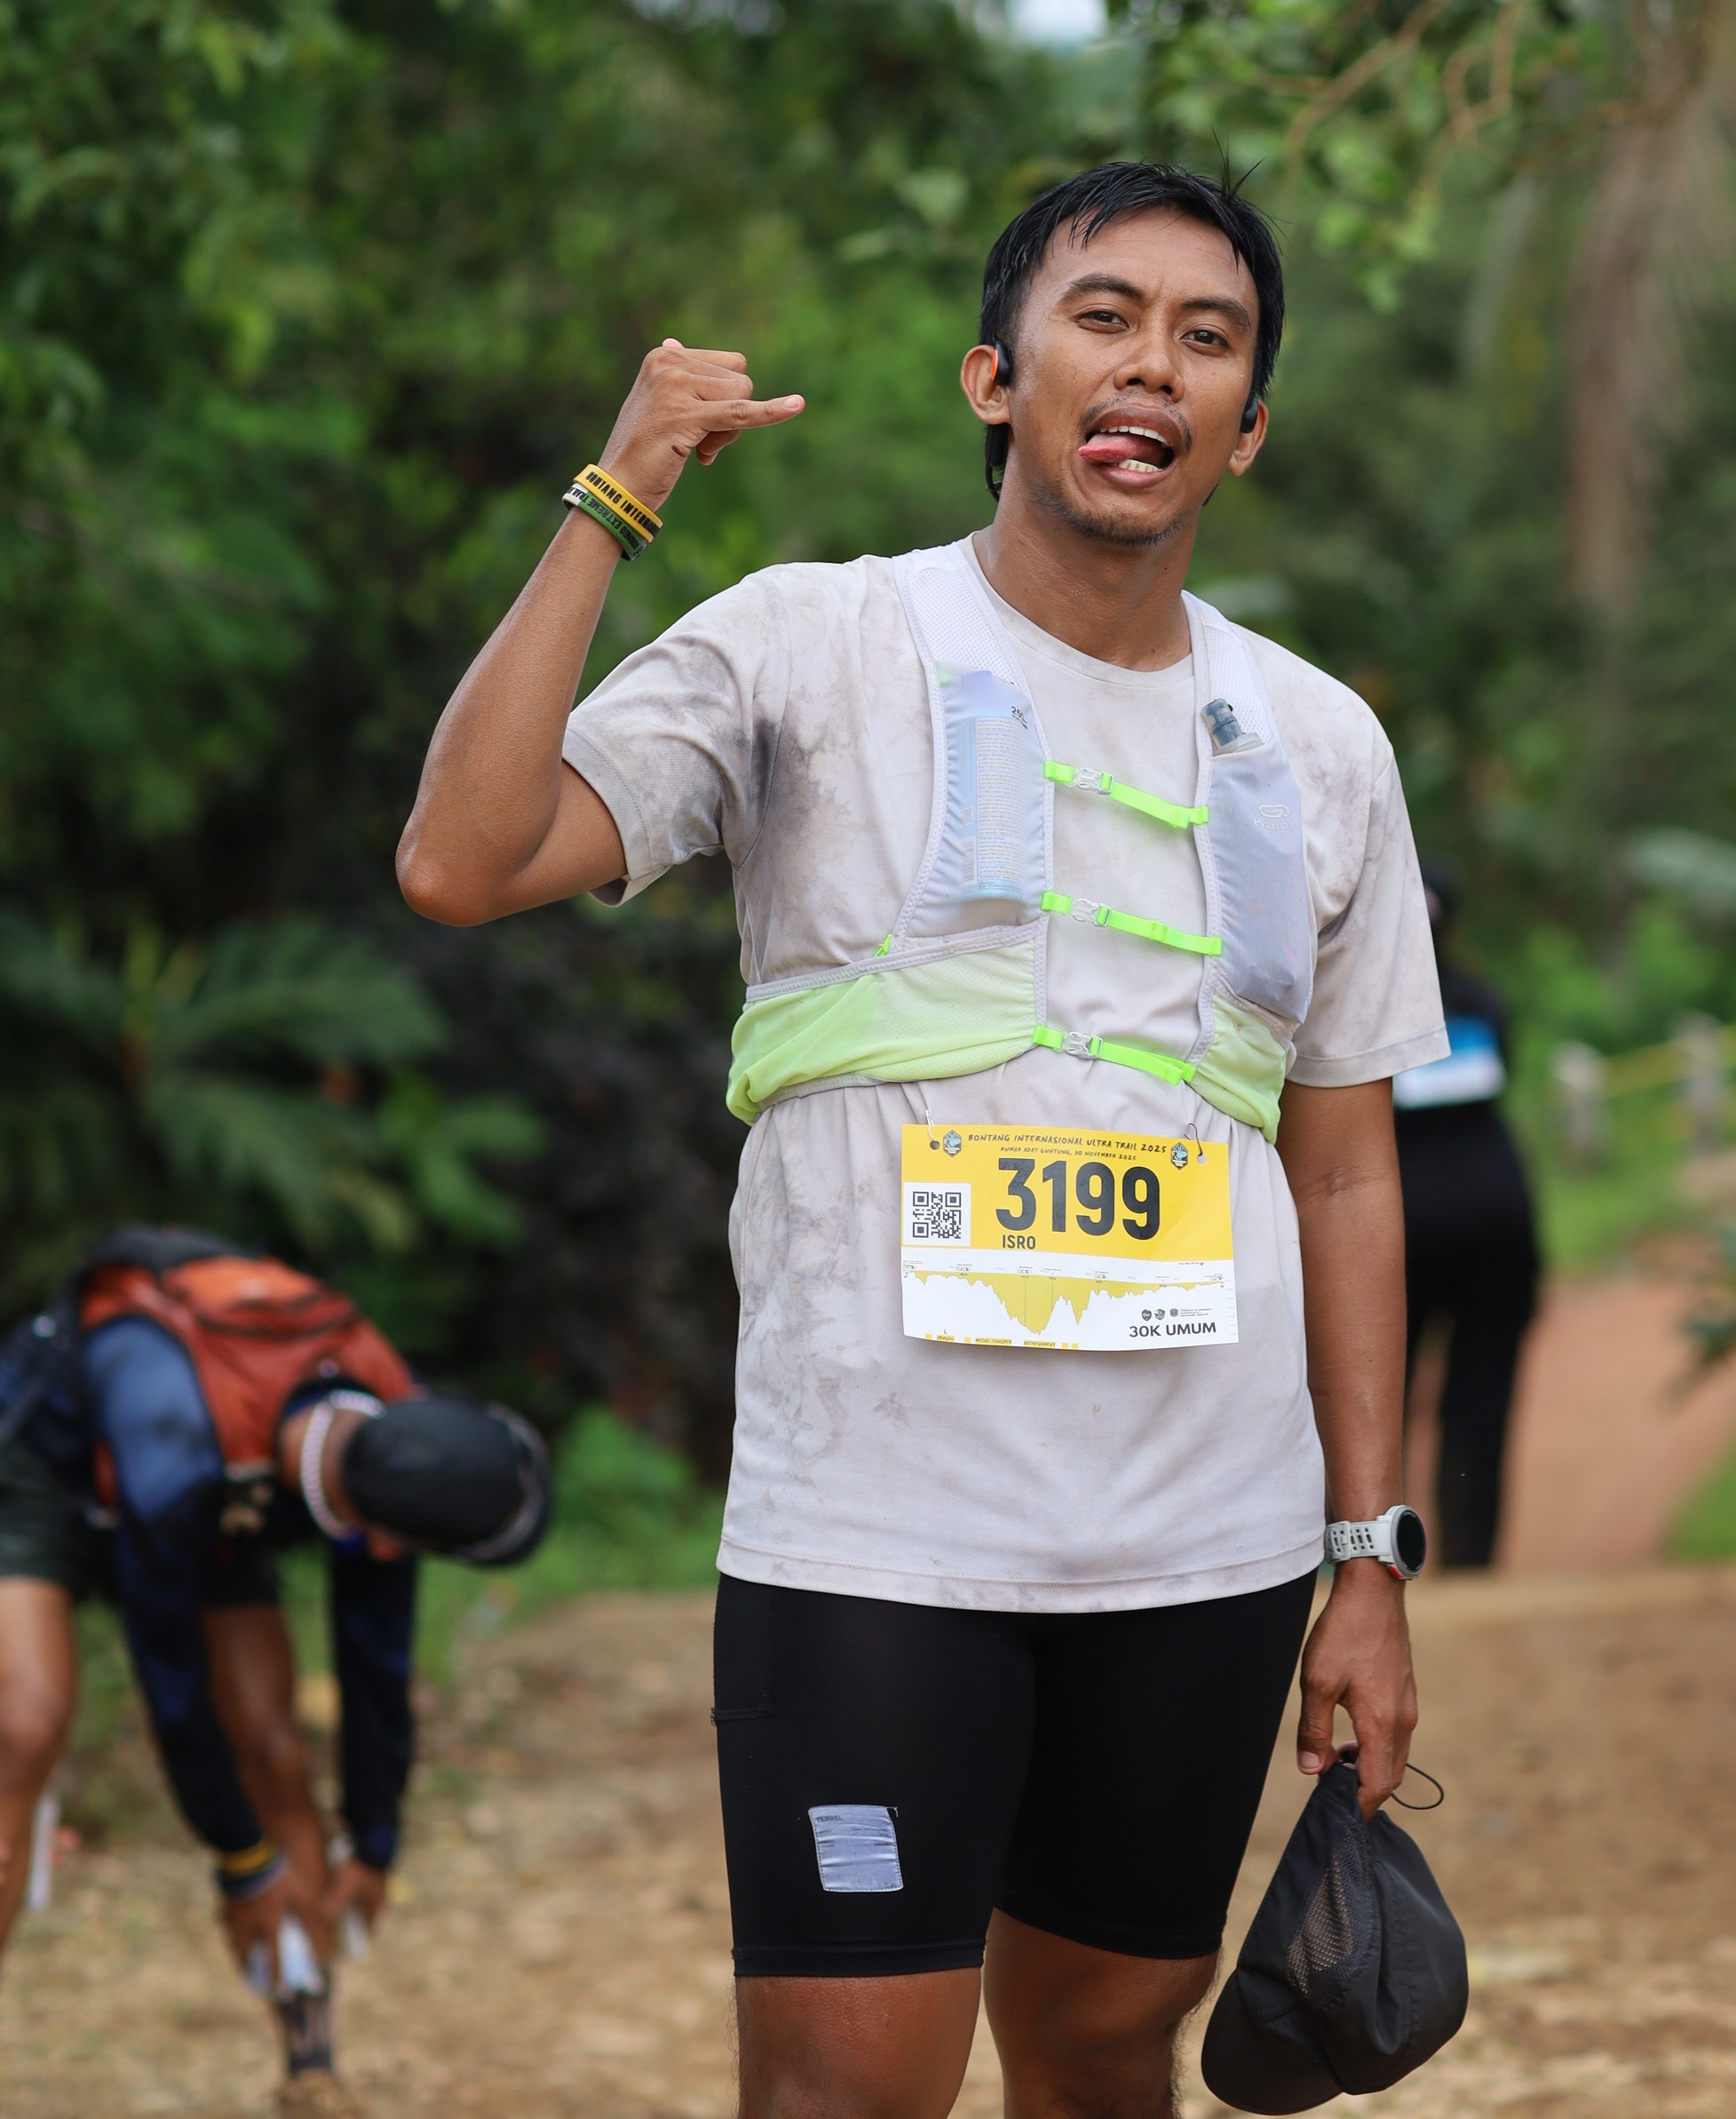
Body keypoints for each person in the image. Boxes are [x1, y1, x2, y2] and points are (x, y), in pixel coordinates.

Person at [398, 157, 1453, 2119]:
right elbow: (462, 859)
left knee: (1106, 2047)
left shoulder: (1318, 742)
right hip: (875, 1538)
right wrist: (615, 497)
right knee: (847, 2085)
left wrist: (1367, 1560)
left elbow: (1347, 1167)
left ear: (1249, 426)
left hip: (1202, 1549)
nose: (1152, 368)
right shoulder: (812, 646)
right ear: (995, 379)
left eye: (1208, 339)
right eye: (1102, 318)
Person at [0, 1228, 549, 2113]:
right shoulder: (176, 1452)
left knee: (275, 1750)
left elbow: (376, 1660)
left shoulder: (393, 1431)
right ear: (386, 1540)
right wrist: (241, 1859)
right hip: (48, 1467)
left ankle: (310, 2063)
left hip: (235, 1495)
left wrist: (374, 1836)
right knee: (24, 1724)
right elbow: (169, 1680)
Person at [1391, 861, 1541, 1567]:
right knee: (1481, 1393)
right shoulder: (1484, 1003)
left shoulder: (1363, 1013)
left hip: (1401, 1224)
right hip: (1496, 1219)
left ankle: (1369, 1549)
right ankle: (1470, 1555)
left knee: (1375, 1389)